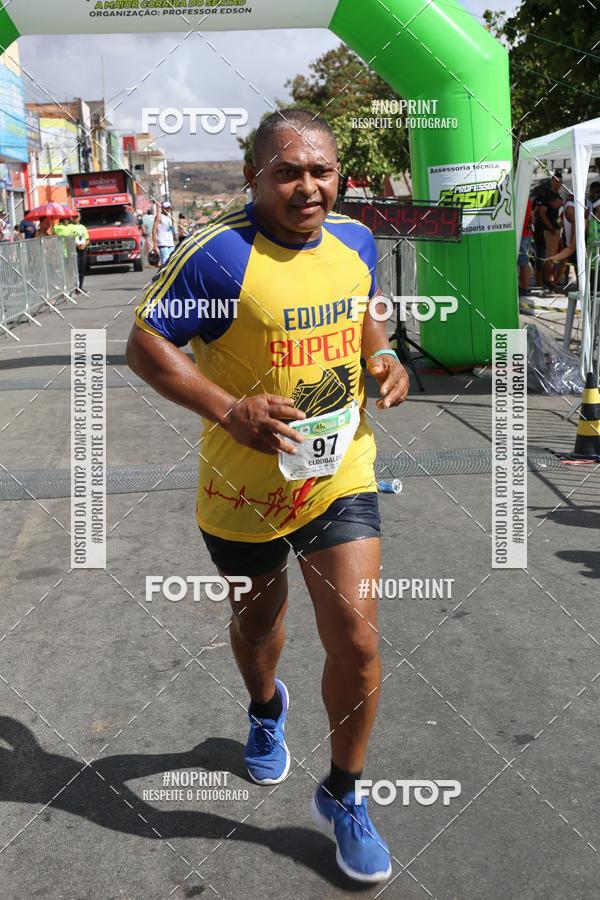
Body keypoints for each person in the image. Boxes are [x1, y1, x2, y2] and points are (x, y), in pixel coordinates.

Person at [127, 108, 410, 883]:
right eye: (288, 171)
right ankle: (263, 707)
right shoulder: (218, 256)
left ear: (338, 175)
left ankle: (346, 793)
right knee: (260, 628)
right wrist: (230, 409)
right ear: (255, 176)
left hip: (337, 473)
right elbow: (145, 345)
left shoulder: (353, 239)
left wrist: (384, 359)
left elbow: (362, 314)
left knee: (356, 638)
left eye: (321, 170)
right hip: (242, 491)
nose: (307, 186)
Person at [535, 191, 563, 290]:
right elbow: (542, 214)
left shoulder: (561, 206)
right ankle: (545, 281)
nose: (554, 206)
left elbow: (557, 219)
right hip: (547, 232)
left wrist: (559, 225)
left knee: (552, 257)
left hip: (554, 232)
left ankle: (549, 280)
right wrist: (551, 228)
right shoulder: (545, 201)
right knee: (547, 257)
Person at [151, 200, 176, 265]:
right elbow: (154, 230)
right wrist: (155, 245)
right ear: (163, 208)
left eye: (169, 208)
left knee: (172, 263)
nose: (168, 210)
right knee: (165, 263)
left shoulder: (170, 217)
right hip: (163, 243)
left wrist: (173, 223)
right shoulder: (159, 216)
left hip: (170, 244)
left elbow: (171, 230)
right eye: (167, 208)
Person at [518, 196, 533, 297]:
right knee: (524, 261)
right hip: (526, 233)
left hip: (522, 233)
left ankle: (525, 287)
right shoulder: (527, 200)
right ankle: (524, 286)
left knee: (523, 261)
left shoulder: (521, 199)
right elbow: (531, 217)